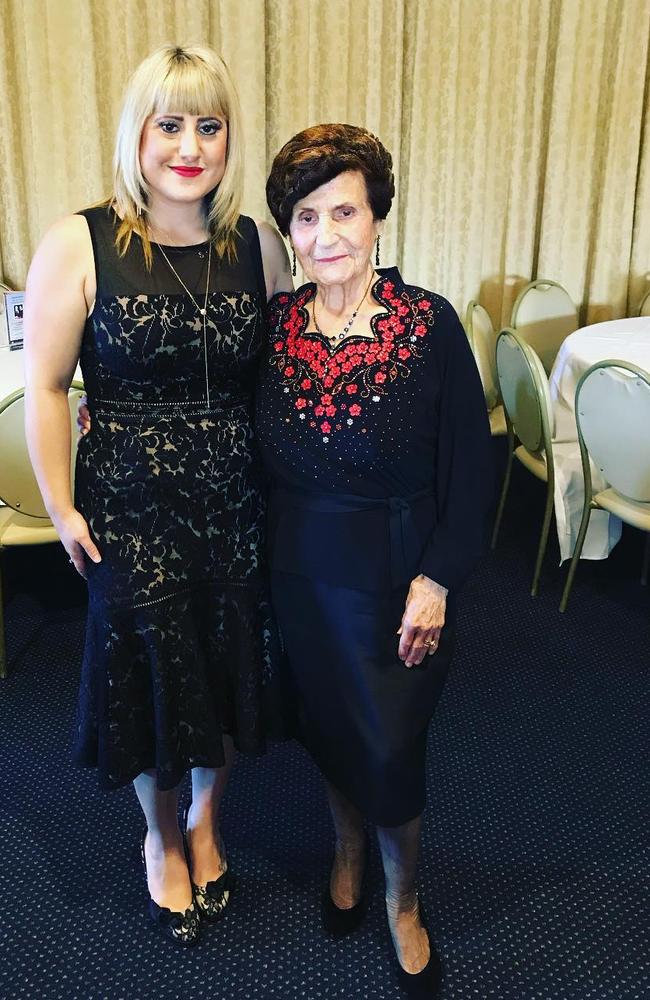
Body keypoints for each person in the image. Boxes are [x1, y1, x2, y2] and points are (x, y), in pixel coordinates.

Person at [23, 44, 292, 947]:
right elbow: (49, 387)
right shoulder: (81, 240)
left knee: (224, 666)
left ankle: (208, 821)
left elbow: (283, 374)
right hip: (131, 511)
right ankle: (159, 836)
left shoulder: (255, 243)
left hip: (240, 503)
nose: (190, 145)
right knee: (150, 677)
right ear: (137, 133)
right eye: (170, 124)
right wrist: (61, 507)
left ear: (228, 140)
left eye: (208, 126)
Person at [258, 124, 493, 996]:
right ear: (290, 231)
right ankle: (346, 851)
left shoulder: (428, 324)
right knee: (329, 731)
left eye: (344, 211)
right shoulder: (277, 325)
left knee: (392, 748)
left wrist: (436, 581)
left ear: (378, 219)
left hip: (398, 579)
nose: (327, 236)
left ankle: (403, 899)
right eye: (307, 217)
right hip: (301, 574)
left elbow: (472, 468)